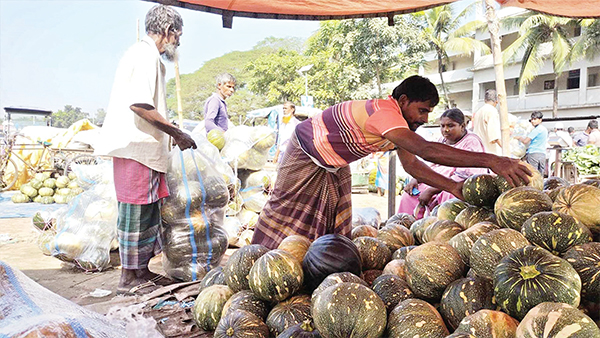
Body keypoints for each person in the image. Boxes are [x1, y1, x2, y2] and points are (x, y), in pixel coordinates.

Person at [250, 75, 531, 249]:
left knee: (333, 220)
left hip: (334, 164)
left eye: (428, 113)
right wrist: (493, 160)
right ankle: (260, 261)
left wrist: (452, 187)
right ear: (404, 100)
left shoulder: (399, 125)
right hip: (305, 154)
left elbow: (412, 166)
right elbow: (425, 150)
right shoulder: (385, 112)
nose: (424, 118)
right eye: (421, 110)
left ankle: (319, 266)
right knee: (285, 213)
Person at [95, 5, 196, 295]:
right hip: (135, 147)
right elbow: (139, 105)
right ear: (168, 31)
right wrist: (176, 132)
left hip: (143, 149)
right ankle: (129, 278)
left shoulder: (146, 56)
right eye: (178, 35)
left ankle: (141, 271)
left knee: (147, 212)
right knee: (135, 213)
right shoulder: (145, 55)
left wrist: (170, 129)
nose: (178, 42)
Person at [397, 109, 487, 218]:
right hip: (436, 181)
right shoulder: (442, 140)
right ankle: (407, 228)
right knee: (409, 195)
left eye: (450, 126)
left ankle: (442, 230)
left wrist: (431, 191)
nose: (446, 130)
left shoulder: (472, 142)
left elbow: (465, 176)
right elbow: (430, 165)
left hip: (456, 185)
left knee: (449, 198)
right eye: (442, 126)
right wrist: (416, 178)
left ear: (462, 126)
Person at [516, 111, 548, 175]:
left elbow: (525, 141)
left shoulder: (536, 130)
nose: (533, 121)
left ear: (540, 120)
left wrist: (518, 137)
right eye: (532, 119)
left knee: (533, 174)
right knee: (540, 174)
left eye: (535, 119)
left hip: (533, 154)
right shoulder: (544, 129)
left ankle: (534, 185)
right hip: (542, 154)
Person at [472, 89, 502, 156]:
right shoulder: (492, 111)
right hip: (489, 152)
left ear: (485, 100)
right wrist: (506, 148)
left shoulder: (478, 112)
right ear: (496, 102)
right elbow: (494, 135)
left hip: (478, 149)